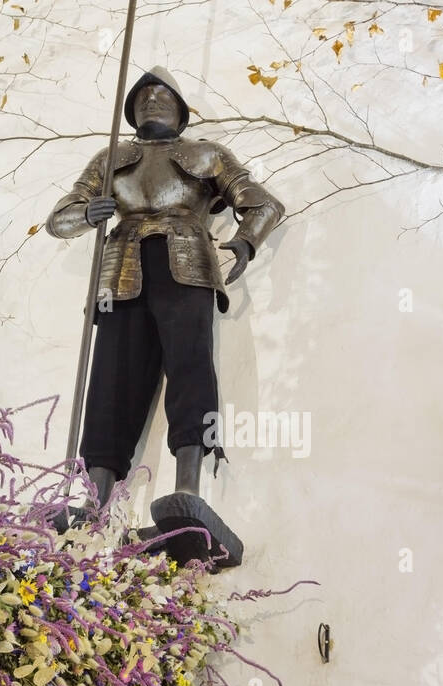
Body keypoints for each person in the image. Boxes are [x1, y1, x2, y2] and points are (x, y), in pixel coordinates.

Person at [46, 67, 284, 566]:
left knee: (190, 368)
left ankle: (189, 492)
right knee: (109, 382)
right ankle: (93, 502)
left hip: (186, 261)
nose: (152, 101)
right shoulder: (111, 158)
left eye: (162, 95)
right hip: (121, 267)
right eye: (144, 96)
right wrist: (88, 213)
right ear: (131, 111)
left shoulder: (206, 154)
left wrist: (244, 242)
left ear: (180, 108)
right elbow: (60, 217)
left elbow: (262, 203)